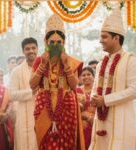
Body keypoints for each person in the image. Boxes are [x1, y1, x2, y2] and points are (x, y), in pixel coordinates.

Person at [89, 8, 136, 150]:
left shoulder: (130, 60)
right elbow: (95, 89)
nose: (101, 41)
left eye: (104, 37)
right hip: (101, 120)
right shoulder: (101, 63)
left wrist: (105, 100)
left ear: (116, 38)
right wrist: (93, 98)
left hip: (122, 120)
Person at [30, 14, 85, 149]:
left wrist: (66, 65)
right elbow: (32, 85)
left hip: (66, 104)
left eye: (59, 42)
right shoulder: (39, 60)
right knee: (45, 141)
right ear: (45, 42)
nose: (55, 45)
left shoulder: (70, 61)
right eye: (52, 42)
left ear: (64, 43)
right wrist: (43, 65)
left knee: (66, 142)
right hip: (44, 103)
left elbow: (74, 85)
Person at [9, 37, 39, 150]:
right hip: (24, 116)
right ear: (23, 51)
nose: (31, 51)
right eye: (27, 49)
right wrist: (31, 92)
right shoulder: (16, 71)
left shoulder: (45, 68)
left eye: (33, 48)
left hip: (44, 115)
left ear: (37, 49)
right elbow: (12, 94)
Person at [76, 67, 96, 149]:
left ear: (94, 77)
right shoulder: (76, 91)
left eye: (89, 74)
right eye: (83, 75)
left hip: (97, 123)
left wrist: (93, 118)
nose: (86, 77)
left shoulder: (98, 90)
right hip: (82, 125)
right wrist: (87, 117)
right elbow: (74, 109)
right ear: (80, 78)